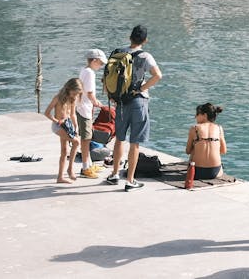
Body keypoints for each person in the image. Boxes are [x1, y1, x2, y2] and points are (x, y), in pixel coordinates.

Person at [105, 24, 162, 192]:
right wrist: (141, 89)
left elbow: (108, 77)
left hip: (120, 102)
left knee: (119, 139)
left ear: (130, 37)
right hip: (138, 101)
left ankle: (114, 174)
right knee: (135, 142)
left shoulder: (118, 52)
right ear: (145, 40)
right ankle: (130, 180)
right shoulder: (145, 56)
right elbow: (158, 75)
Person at [43, 77, 82, 184]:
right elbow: (47, 113)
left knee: (64, 151)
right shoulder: (58, 98)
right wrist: (56, 121)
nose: (75, 96)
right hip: (58, 125)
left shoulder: (72, 99)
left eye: (77, 94)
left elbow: (73, 114)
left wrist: (76, 127)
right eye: (74, 93)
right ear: (68, 89)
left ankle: (60, 177)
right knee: (76, 142)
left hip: (68, 125)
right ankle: (70, 169)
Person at [76, 49, 107, 179]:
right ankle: (85, 167)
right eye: (100, 63)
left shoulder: (84, 70)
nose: (101, 66)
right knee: (86, 139)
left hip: (82, 107)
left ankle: (88, 164)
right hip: (85, 109)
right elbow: (89, 93)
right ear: (94, 60)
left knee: (87, 138)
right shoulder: (90, 73)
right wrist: (97, 102)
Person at [185, 102, 227, 181]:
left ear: (204, 115)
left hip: (197, 172)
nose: (195, 117)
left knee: (195, 147)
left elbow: (188, 151)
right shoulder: (219, 128)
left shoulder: (194, 128)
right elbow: (223, 151)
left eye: (197, 114)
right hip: (215, 172)